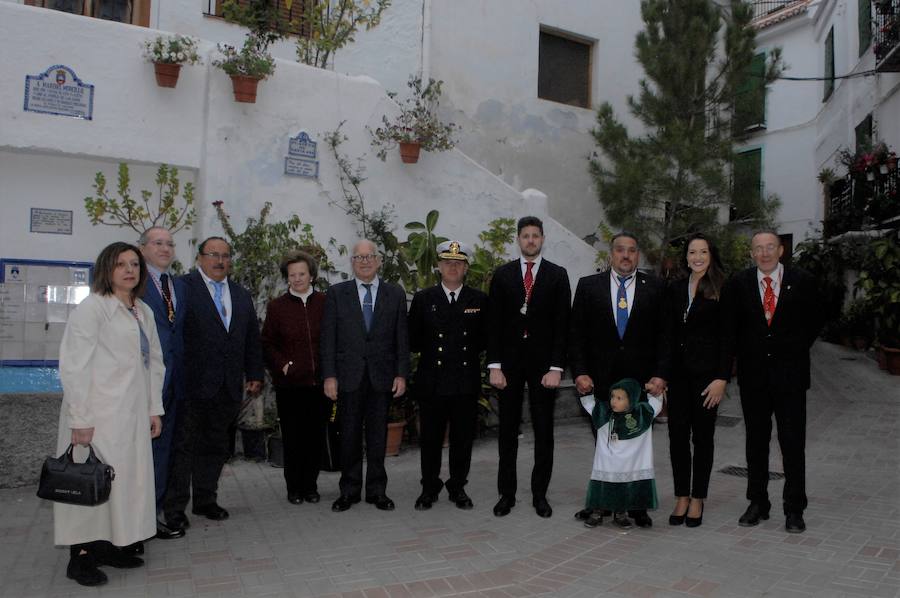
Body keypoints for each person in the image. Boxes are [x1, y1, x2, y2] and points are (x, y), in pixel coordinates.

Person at [55, 242, 164, 586]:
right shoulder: (93, 308)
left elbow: (155, 363)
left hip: (131, 416)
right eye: (121, 264)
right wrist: (80, 419)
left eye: (134, 264)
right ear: (107, 269)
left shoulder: (142, 310)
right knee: (89, 482)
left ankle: (112, 545)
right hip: (97, 416)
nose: (129, 270)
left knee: (123, 485)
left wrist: (154, 408)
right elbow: (74, 366)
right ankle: (81, 557)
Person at [723, 230, 823, 533]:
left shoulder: (803, 281)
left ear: (781, 250)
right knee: (756, 442)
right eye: (758, 249)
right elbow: (730, 328)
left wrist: (791, 348)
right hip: (754, 378)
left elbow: (815, 320)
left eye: (770, 247)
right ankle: (758, 502)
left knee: (792, 443)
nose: (764, 253)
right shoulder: (738, 284)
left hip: (790, 376)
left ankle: (794, 508)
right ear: (751, 254)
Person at [568, 232, 670, 527]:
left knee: (636, 446)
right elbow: (577, 335)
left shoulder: (656, 287)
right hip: (599, 381)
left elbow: (666, 335)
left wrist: (661, 374)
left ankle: (636, 505)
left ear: (638, 255)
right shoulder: (589, 286)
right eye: (620, 250)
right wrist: (581, 372)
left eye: (632, 250)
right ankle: (601, 502)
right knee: (606, 446)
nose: (626, 256)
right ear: (610, 255)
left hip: (640, 383)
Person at [163, 237, 264, 529]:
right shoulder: (182, 288)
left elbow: (250, 338)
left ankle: (206, 500)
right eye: (213, 255)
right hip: (191, 386)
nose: (220, 261)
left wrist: (254, 373)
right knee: (184, 447)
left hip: (228, 386)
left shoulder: (241, 294)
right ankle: (174, 508)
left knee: (215, 446)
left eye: (225, 255)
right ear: (200, 258)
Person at [487, 216, 570, 518]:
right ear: (518, 239)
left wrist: (557, 367)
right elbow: (493, 324)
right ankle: (506, 494)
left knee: (544, 431)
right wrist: (494, 366)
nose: (531, 240)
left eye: (536, 235)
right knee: (507, 432)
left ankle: (540, 495)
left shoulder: (557, 275)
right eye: (526, 236)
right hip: (508, 366)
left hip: (543, 367)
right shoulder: (503, 275)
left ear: (542, 239)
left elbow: (563, 325)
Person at [321, 239, 410, 512]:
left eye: (370, 256)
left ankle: (377, 491)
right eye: (359, 257)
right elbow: (328, 339)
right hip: (348, 377)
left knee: (377, 436)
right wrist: (329, 376)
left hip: (382, 377)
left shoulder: (394, 294)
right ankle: (348, 490)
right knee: (348, 435)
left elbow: (401, 339)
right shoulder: (337, 294)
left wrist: (401, 374)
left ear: (379, 260)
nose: (365, 261)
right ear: (352, 262)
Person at [408, 240, 488, 511]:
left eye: (458, 263)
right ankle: (429, 487)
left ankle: (457, 487)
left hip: (465, 381)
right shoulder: (423, 299)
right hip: (432, 382)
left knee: (462, 440)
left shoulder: (478, 300)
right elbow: (414, 340)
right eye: (447, 262)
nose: (452, 267)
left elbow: (485, 341)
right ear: (439, 267)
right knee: (430, 439)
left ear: (466, 268)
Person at [665, 233, 731, 528]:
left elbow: (728, 338)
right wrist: (662, 375)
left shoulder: (722, 288)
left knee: (702, 438)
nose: (697, 257)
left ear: (711, 255)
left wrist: (722, 378)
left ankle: (698, 497)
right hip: (677, 377)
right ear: (686, 257)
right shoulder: (675, 288)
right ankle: (681, 494)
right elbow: (667, 335)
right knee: (677, 436)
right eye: (692, 252)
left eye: (703, 252)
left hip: (708, 378)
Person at [260, 250, 328, 505]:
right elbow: (267, 344)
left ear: (311, 275)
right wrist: (283, 366)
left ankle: (310, 486)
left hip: (320, 384)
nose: (297, 279)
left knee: (315, 438)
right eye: (292, 275)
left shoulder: (325, 303)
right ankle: (294, 487)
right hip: (290, 386)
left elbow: (333, 339)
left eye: (302, 274)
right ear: (286, 278)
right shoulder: (277, 307)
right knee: (293, 438)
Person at [138, 227, 187, 544]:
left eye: (170, 244)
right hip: (141, 385)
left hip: (175, 386)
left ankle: (153, 516)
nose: (166, 248)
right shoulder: (134, 284)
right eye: (158, 243)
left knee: (164, 454)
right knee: (137, 456)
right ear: (142, 248)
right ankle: (134, 520)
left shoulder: (179, 286)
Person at [579, 379, 663, 529]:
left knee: (624, 487)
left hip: (629, 464)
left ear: (631, 399)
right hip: (606, 463)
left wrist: (651, 389)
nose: (613, 402)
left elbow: (656, 402)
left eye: (619, 398)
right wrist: (586, 391)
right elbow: (589, 403)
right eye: (612, 397)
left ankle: (620, 514)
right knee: (603, 486)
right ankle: (597, 513)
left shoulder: (642, 414)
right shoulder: (604, 412)